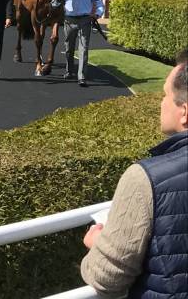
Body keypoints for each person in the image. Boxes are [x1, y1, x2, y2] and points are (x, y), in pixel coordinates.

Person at [80, 53, 187, 298]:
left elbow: (107, 276)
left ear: (184, 112)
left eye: (165, 95)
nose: (161, 103)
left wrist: (97, 244)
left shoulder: (146, 178)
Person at [63, 0, 105, 87]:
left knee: (83, 49)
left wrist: (97, 14)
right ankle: (69, 71)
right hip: (69, 20)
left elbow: (99, 4)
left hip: (85, 20)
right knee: (68, 48)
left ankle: (81, 77)